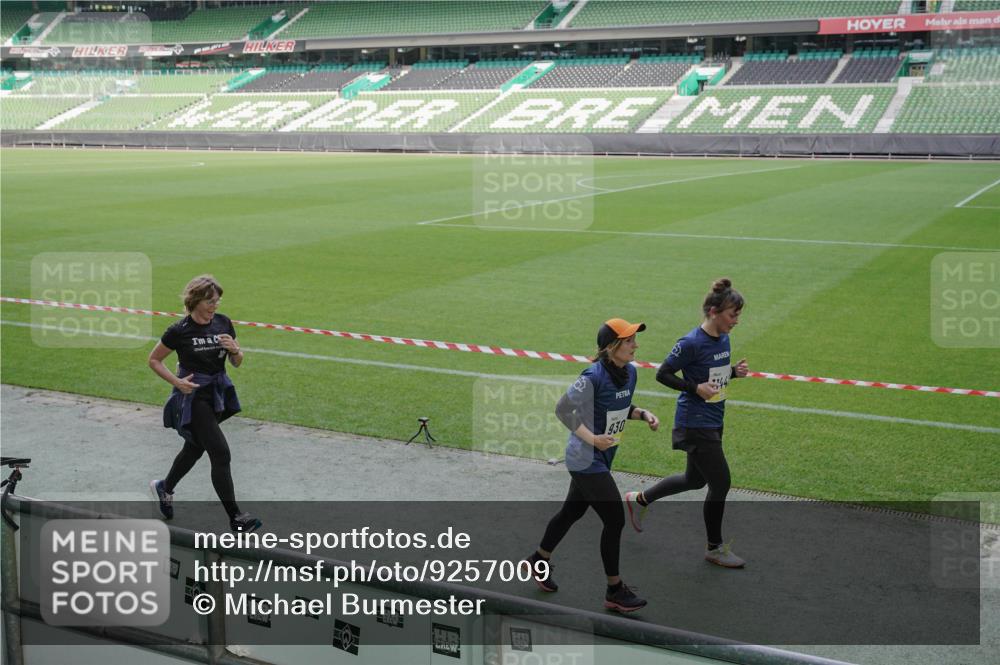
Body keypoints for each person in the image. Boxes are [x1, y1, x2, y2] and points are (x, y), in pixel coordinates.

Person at [523, 318, 660, 613]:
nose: (636, 345)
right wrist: (592, 439)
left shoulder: (630, 373)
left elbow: (622, 408)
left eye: (634, 339)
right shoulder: (592, 376)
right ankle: (614, 590)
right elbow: (562, 409)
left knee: (572, 510)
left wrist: (643, 414)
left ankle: (538, 559)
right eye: (629, 341)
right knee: (614, 519)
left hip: (600, 458)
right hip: (584, 459)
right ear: (612, 347)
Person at [625, 278, 747, 568]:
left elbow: (712, 374)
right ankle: (714, 548)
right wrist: (694, 389)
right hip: (695, 422)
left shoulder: (724, 338)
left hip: (715, 418)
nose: (736, 321)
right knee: (721, 483)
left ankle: (639, 500)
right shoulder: (690, 342)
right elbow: (663, 374)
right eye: (733, 315)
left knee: (695, 479)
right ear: (714, 311)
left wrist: (732, 372)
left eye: (739, 315)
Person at [148, 275, 261, 533]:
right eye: (210, 301)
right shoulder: (179, 331)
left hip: (217, 394)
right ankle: (236, 518)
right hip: (193, 396)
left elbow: (237, 362)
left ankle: (164, 487)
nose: (215, 306)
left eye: (217, 301)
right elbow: (154, 360)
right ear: (195, 301)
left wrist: (235, 350)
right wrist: (177, 383)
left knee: (195, 447)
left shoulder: (223, 323)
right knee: (220, 452)